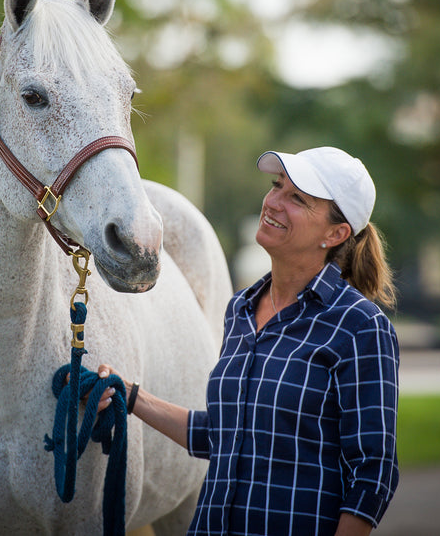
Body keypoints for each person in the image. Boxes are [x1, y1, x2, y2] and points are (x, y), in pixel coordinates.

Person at [98, 147, 400, 535]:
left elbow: (373, 472)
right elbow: (225, 435)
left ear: (336, 233)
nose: (273, 202)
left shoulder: (360, 325)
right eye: (277, 186)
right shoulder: (240, 309)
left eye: (297, 199)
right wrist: (131, 396)